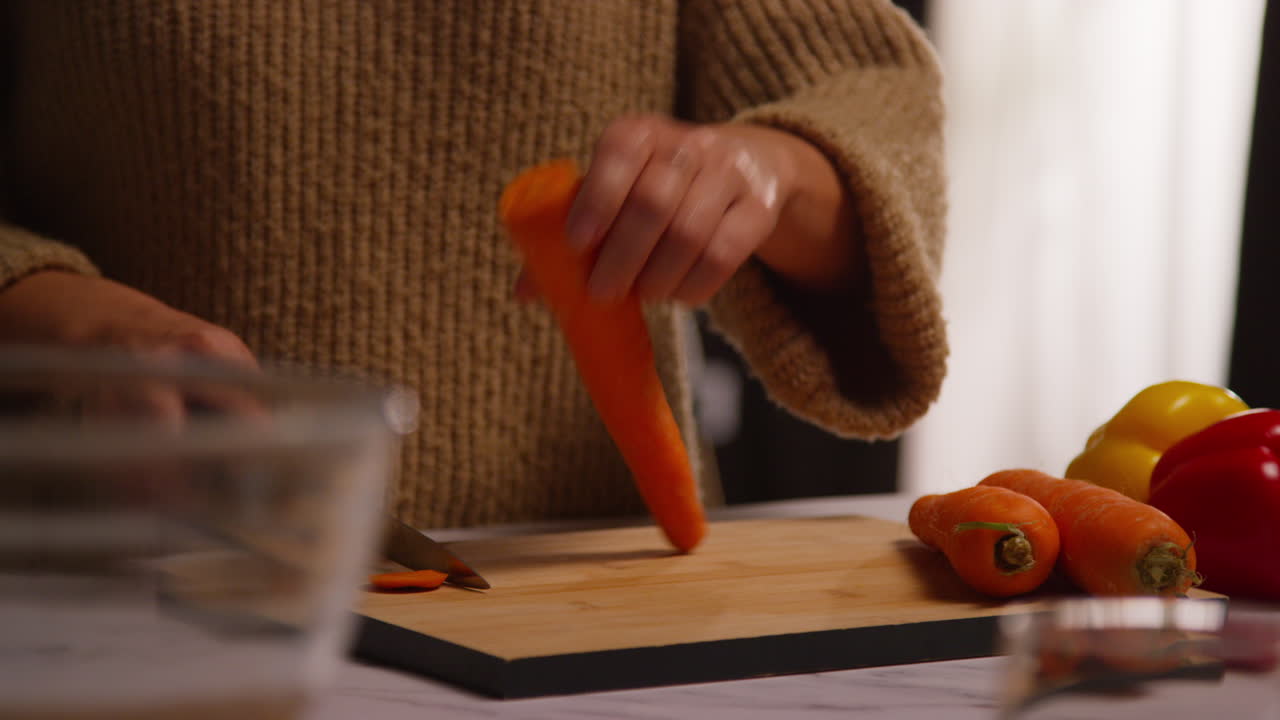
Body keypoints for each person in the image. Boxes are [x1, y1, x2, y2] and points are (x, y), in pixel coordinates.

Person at [0, 1, 948, 528]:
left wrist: (771, 172)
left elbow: (873, 102)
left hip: (592, 614)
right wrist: (66, 320)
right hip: (119, 596)